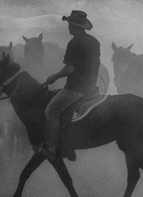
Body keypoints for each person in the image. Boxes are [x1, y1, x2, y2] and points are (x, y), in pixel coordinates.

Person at [37, 10, 101, 160]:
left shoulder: (74, 42)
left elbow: (69, 69)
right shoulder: (94, 41)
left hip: (76, 88)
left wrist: (53, 77)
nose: (68, 27)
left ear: (74, 26)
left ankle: (50, 148)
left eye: (70, 24)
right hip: (91, 86)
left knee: (51, 110)